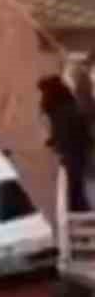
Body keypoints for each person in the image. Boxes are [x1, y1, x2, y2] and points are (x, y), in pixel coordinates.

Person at [39, 75, 92, 212]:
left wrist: (56, 144)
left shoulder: (60, 110)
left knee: (74, 188)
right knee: (76, 188)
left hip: (73, 154)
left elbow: (65, 133)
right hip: (78, 153)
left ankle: (79, 217)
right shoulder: (69, 107)